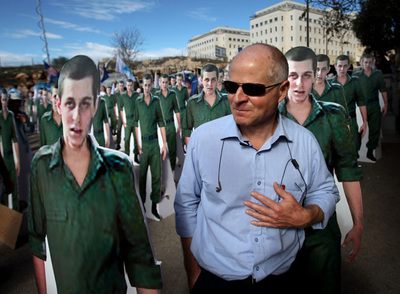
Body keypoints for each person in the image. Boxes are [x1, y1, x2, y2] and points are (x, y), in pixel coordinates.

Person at [174, 44, 339, 294]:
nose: (238, 98)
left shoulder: (305, 142)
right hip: (214, 281)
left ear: (282, 90)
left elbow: (326, 191)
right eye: (232, 86)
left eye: (252, 89)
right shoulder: (203, 140)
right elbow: (186, 205)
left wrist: (307, 215)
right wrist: (193, 273)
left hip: (284, 278)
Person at [29, 55, 163, 294]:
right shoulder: (40, 166)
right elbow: (37, 242)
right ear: (58, 103)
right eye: (70, 103)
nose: (76, 117)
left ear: (96, 106)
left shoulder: (119, 168)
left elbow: (140, 256)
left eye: (85, 103)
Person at [279, 46, 363, 294]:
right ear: (285, 77)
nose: (299, 83)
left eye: (306, 75)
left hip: (321, 226)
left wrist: (358, 224)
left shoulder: (333, 116)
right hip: (279, 227)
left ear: (317, 74)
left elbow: (348, 171)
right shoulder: (270, 117)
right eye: (293, 75)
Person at [134, 74, 167, 220]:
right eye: (145, 85)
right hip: (144, 144)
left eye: (149, 85)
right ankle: (142, 207)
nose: (147, 88)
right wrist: (137, 144)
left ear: (152, 86)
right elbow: (135, 123)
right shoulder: (138, 102)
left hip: (154, 144)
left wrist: (164, 143)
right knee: (141, 177)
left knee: (156, 175)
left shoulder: (156, 101)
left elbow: (161, 122)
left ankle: (154, 208)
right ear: (142, 86)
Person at [182, 64, 231, 146]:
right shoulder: (192, 103)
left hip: (223, 149)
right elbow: (187, 130)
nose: (210, 84)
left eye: (213, 80)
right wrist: (190, 151)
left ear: (218, 80)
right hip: (201, 149)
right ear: (201, 80)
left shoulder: (227, 101)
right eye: (206, 80)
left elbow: (232, 128)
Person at [329, 55, 368, 153]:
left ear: (349, 67)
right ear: (335, 66)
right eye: (340, 66)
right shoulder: (329, 83)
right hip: (335, 122)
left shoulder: (355, 82)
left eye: (345, 66)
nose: (342, 69)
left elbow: (361, 102)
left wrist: (364, 122)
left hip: (351, 120)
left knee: (353, 149)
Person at [353, 53, 388, 161]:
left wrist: (386, 104)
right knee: (358, 129)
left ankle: (370, 151)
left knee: (375, 128)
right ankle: (355, 152)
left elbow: (383, 90)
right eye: (365, 62)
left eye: (369, 62)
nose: (367, 64)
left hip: (374, 104)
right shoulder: (357, 75)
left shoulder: (377, 74)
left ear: (373, 63)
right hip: (361, 105)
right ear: (362, 63)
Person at [312, 54, 350, 124]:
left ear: (328, 70)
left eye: (323, 69)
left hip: (332, 132)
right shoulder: (306, 90)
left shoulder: (336, 89)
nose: (319, 73)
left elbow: (344, 116)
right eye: (317, 69)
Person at [156, 74, 180, 171]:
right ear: (159, 83)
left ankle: (172, 170)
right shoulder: (156, 96)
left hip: (170, 125)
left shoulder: (172, 94)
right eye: (162, 82)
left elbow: (177, 110)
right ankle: (162, 171)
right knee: (161, 148)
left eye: (166, 82)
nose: (164, 84)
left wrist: (179, 126)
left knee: (172, 148)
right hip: (160, 126)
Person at [0, 90, 20, 211]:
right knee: (5, 189)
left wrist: (18, 161)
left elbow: (15, 138)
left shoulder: (11, 116)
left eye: (6, 99)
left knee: (14, 188)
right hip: (2, 158)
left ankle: (16, 215)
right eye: (2, 99)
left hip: (11, 157)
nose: (4, 102)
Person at [120, 79, 139, 161]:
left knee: (136, 139)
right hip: (127, 120)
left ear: (133, 86)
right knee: (127, 138)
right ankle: (127, 156)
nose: (129, 87)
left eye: (131, 85)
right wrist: (123, 121)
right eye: (128, 85)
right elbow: (121, 109)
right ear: (126, 86)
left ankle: (135, 156)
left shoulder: (136, 95)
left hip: (135, 119)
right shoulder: (123, 96)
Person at [173, 74, 190, 147]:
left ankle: (183, 144)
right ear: (176, 80)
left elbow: (188, 99)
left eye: (180, 80)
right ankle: (176, 145)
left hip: (183, 110)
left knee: (183, 128)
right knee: (176, 128)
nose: (179, 81)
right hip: (176, 111)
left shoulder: (184, 89)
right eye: (178, 80)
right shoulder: (173, 90)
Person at [114, 80, 125, 150]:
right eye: (119, 86)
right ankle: (118, 143)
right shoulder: (116, 94)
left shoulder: (126, 94)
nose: (121, 87)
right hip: (119, 113)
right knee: (119, 129)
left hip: (125, 113)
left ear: (123, 86)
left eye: (122, 86)